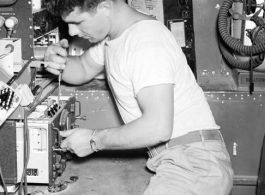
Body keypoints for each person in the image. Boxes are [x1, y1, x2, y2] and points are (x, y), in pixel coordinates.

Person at [44, 0, 234, 194]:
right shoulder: (114, 38)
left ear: (105, 8)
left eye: (78, 22)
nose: (73, 32)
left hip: (193, 164)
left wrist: (93, 140)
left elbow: (158, 128)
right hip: (177, 158)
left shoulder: (146, 41)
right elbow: (83, 69)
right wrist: (57, 62)